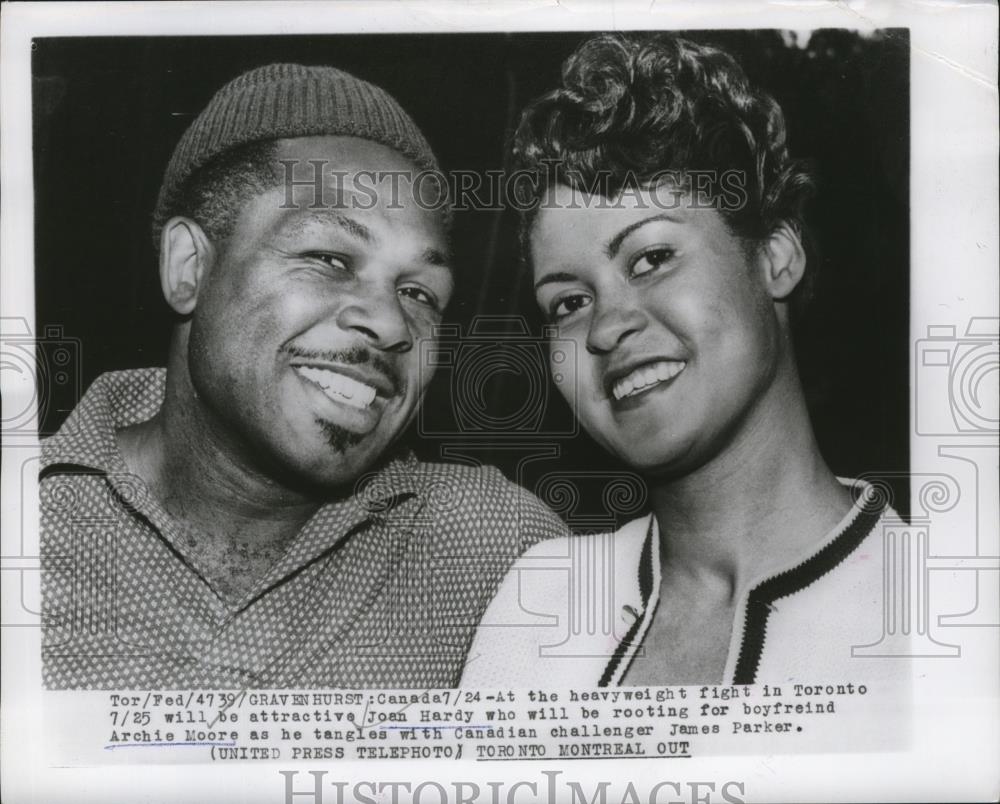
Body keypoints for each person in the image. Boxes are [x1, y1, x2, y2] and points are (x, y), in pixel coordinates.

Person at [39, 63, 568, 689]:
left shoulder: (493, 544)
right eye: (329, 258)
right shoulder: (29, 522)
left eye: (421, 292)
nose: (391, 323)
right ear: (189, 268)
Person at [462, 34, 904, 687]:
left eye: (651, 258)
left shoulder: (940, 612)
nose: (607, 327)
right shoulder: (536, 603)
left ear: (775, 256)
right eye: (567, 302)